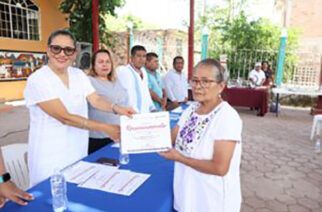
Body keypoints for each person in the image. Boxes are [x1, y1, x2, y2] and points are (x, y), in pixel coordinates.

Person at [24, 29, 135, 187]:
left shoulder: (78, 75)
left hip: (78, 153)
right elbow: (65, 117)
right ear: (48, 50)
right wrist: (104, 127)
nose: (62, 54)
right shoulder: (38, 79)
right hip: (49, 158)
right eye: (57, 48)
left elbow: (95, 99)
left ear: (75, 53)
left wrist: (117, 108)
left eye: (68, 50)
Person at [160, 59, 242, 212]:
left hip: (211, 201)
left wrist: (179, 158)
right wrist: (139, 133)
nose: (197, 87)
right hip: (187, 196)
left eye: (205, 81)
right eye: (195, 80)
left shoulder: (227, 117)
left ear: (221, 86)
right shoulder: (191, 109)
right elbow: (171, 138)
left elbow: (220, 168)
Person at [87, 49, 129, 154]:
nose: (105, 65)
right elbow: (96, 101)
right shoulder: (88, 81)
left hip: (119, 135)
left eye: (107, 62)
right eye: (101, 62)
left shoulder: (116, 80)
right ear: (93, 65)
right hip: (99, 137)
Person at [117, 45, 155, 113]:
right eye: (138, 56)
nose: (142, 59)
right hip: (130, 114)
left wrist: (152, 108)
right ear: (132, 57)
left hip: (145, 114)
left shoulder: (144, 72)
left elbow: (146, 92)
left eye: (144, 56)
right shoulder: (123, 71)